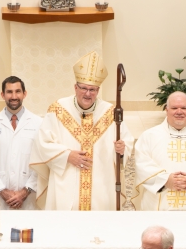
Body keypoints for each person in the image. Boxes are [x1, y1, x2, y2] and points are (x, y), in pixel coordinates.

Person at [31, 51, 133, 211]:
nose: (87, 93)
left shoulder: (110, 112)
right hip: (66, 183)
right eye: (84, 88)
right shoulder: (57, 109)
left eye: (93, 90)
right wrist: (66, 156)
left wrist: (122, 149)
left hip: (101, 186)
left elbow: (126, 142)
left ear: (98, 91)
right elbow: (42, 143)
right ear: (75, 87)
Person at [0, 76, 41, 210]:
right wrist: (3, 191)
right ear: (3, 95)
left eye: (18, 91)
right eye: (9, 92)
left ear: (24, 94)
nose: (14, 96)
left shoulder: (38, 124)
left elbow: (42, 161)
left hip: (28, 199)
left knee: (27, 230)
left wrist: (25, 191)